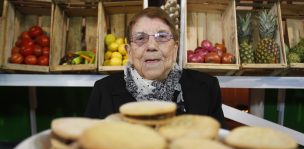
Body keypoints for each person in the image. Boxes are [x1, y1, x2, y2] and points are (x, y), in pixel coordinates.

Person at [85, 7, 225, 127]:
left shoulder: (207, 87)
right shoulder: (104, 90)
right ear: (129, 52)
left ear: (175, 48)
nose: (151, 46)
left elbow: (218, 148)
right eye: (140, 38)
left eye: (162, 37)